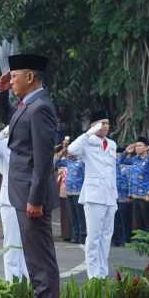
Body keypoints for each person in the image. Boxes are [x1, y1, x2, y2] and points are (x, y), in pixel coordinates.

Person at [0, 53, 59, 298]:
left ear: (30, 77)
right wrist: (0, 93)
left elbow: (43, 160)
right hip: (21, 191)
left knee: (40, 259)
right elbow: (10, 121)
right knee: (34, 258)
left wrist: (35, 199)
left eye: (15, 76)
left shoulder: (41, 107)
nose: (12, 81)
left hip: (32, 196)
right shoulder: (27, 105)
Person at [65, 111, 117, 279]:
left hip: (109, 194)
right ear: (94, 125)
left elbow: (113, 171)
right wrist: (88, 133)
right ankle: (94, 276)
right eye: (102, 123)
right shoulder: (87, 142)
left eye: (108, 123)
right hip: (93, 195)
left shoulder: (112, 144)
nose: (106, 126)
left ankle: (103, 274)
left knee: (106, 237)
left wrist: (115, 195)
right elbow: (71, 149)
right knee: (94, 237)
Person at [0, 125, 29, 281]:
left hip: (26, 196)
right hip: (9, 197)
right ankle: (12, 281)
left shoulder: (29, 143)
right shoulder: (4, 143)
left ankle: (25, 280)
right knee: (11, 241)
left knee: (25, 242)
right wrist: (3, 133)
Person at [126, 137, 149, 231]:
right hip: (135, 195)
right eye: (136, 146)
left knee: (147, 220)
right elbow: (121, 161)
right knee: (138, 220)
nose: (137, 148)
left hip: (145, 196)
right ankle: (140, 243)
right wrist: (126, 152)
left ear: (146, 147)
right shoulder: (134, 159)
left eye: (139, 145)